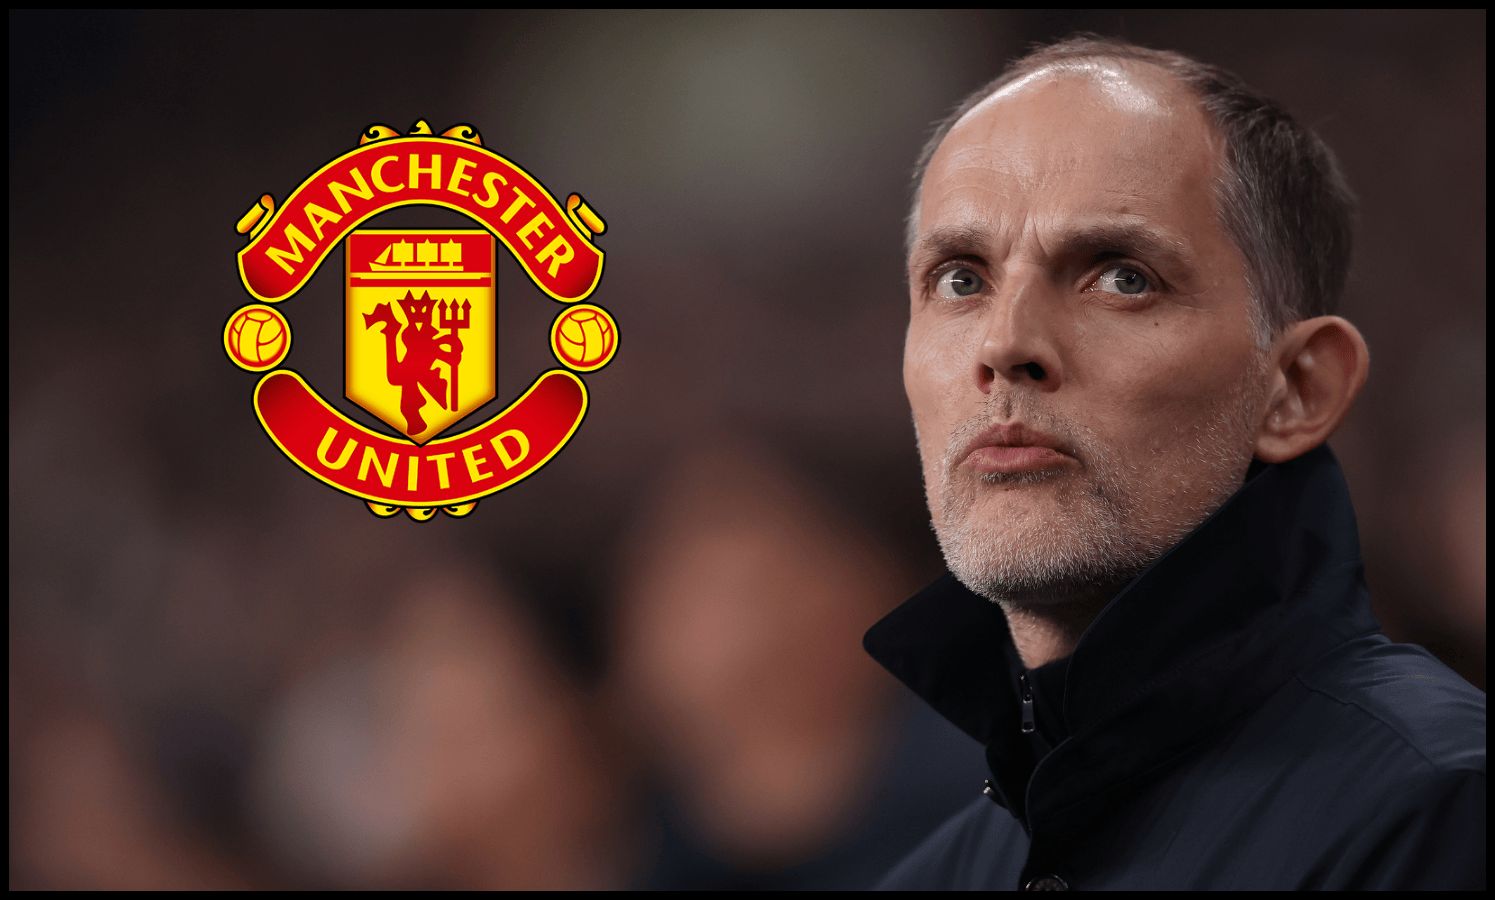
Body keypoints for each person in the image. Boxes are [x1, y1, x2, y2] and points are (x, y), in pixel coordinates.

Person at [862, 33, 1485, 891]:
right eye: (961, 281)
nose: (1004, 344)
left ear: (1297, 389)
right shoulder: (931, 879)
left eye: (1120, 277)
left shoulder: (1442, 811)